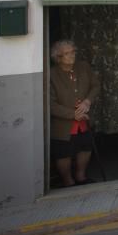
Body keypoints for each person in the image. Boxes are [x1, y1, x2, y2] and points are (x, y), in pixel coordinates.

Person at [49, 40, 100, 187]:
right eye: (67, 53)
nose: (72, 55)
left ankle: (81, 176)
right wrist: (73, 114)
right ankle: (68, 181)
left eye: (73, 52)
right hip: (63, 124)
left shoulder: (83, 67)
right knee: (63, 152)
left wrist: (88, 101)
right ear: (58, 57)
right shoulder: (51, 75)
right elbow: (50, 104)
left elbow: (95, 85)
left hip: (85, 120)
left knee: (85, 147)